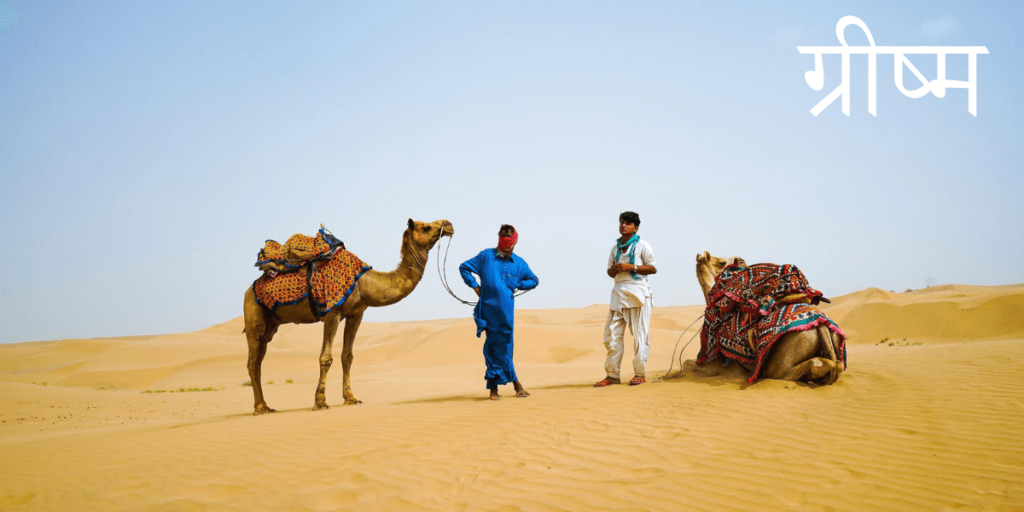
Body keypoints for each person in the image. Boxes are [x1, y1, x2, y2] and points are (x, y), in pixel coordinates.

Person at [460, 225, 540, 400]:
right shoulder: (486, 256)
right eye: (503, 235)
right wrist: (475, 287)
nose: (505, 238)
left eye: (508, 236)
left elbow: (534, 280)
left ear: (514, 240)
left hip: (506, 312)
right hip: (488, 310)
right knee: (493, 346)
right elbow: (464, 267)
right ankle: (502, 387)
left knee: (506, 346)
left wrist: (519, 284)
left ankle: (511, 384)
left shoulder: (518, 263)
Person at [595, 211, 658, 387]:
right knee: (612, 336)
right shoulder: (615, 248)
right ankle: (612, 375)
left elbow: (653, 268)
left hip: (638, 293)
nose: (624, 225)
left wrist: (631, 267)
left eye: (628, 223)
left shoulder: (643, 245)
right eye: (622, 222)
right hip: (618, 294)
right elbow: (609, 271)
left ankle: (639, 373)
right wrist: (615, 270)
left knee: (640, 336)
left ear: (635, 227)